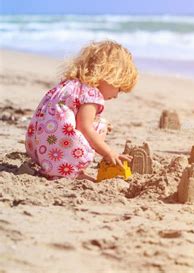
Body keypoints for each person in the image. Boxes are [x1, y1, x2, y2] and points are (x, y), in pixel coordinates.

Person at [25, 40, 138, 180]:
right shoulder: (92, 93)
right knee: (100, 125)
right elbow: (84, 128)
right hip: (59, 151)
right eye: (118, 88)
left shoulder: (70, 84)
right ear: (108, 75)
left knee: (97, 122)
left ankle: (57, 167)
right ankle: (73, 170)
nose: (116, 95)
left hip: (37, 147)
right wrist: (109, 153)